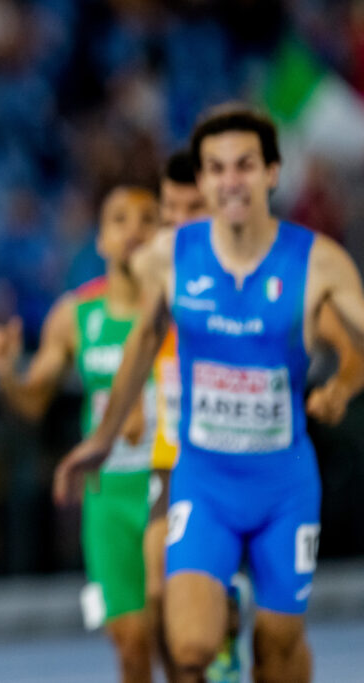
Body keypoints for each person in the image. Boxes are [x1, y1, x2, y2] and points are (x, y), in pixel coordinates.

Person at [55, 103, 364, 683]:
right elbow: (142, 343)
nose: (230, 181)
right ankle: (224, 604)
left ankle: (252, 608)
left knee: (277, 653)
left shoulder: (317, 262)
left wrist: (344, 385)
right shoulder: (167, 260)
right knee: (189, 646)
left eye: (244, 165)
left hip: (283, 488)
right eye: (215, 168)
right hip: (204, 482)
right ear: (200, 179)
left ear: (272, 172)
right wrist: (99, 440)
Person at [146, 150, 364, 683]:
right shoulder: (160, 271)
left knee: (280, 643)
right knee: (166, 609)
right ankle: (216, 616)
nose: (179, 223)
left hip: (270, 472)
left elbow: (348, 344)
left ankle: (234, 609)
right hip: (178, 465)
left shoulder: (275, 274)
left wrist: (341, 385)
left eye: (190, 209)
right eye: (168, 212)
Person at [0, 186, 161, 683]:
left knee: (182, 638)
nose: (134, 231)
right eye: (120, 220)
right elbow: (34, 399)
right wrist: (8, 373)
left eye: (148, 219)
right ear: (100, 239)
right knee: (130, 643)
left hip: (177, 486)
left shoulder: (184, 309)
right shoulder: (76, 314)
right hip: (109, 499)